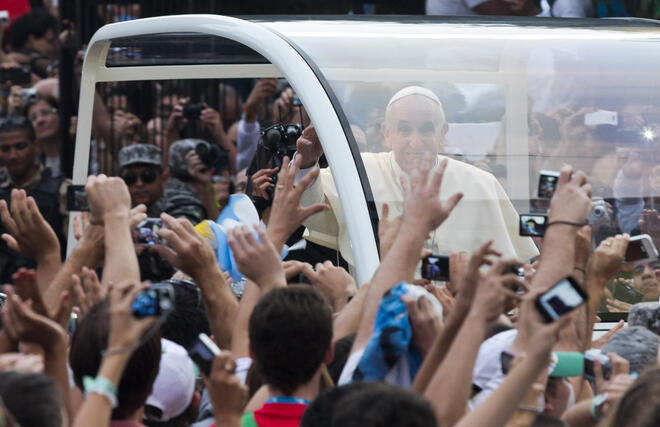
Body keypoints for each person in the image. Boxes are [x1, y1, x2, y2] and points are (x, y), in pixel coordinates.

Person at [296, 86, 537, 266]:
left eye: (426, 129)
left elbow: (517, 263)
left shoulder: (481, 183)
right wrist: (307, 162)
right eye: (404, 129)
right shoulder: (359, 173)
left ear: (443, 133)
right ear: (387, 134)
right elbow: (312, 214)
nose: (415, 141)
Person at [0, 117, 67, 282]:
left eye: (20, 146)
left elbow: (75, 243)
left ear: (36, 145)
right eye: (5, 148)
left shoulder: (61, 189)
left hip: (51, 285)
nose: (13, 155)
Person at [118, 143, 167, 217]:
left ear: (162, 179)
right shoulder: (115, 214)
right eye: (130, 178)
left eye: (147, 176)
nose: (139, 184)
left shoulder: (177, 210)